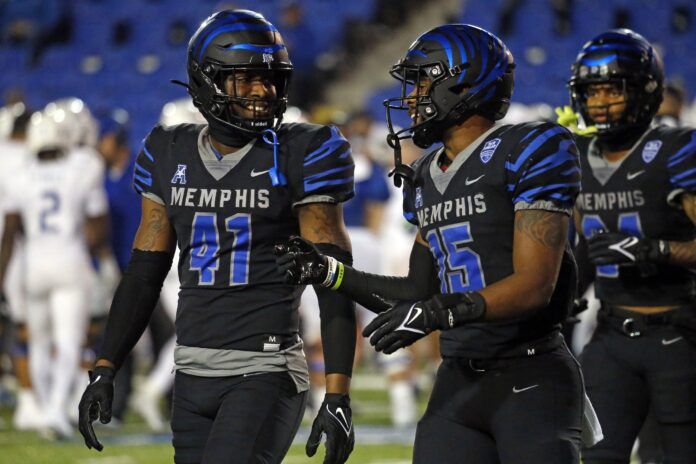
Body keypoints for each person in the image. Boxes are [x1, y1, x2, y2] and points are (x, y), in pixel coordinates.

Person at [277, 24, 601, 463]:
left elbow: (534, 286)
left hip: (531, 375)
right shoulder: (428, 174)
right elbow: (416, 292)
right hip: (457, 381)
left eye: (423, 81)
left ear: (464, 82)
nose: (411, 97)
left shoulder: (530, 147)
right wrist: (331, 274)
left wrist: (439, 311)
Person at [77, 10, 357, 464]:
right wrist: (106, 366)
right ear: (207, 80)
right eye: (245, 78)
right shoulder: (169, 151)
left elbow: (334, 280)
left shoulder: (303, 151)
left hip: (264, 369)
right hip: (189, 372)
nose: (262, 91)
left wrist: (338, 391)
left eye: (270, 79)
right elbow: (145, 274)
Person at [563, 29, 696, 463]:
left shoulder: (676, 149)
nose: (599, 102)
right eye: (592, 91)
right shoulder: (577, 157)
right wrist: (560, 299)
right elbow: (586, 247)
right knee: (596, 455)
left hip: (680, 334)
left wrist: (652, 251)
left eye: (612, 90)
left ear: (644, 90)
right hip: (612, 335)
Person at [0, 104, 111, 439]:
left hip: (32, 262)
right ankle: (54, 412)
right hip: (69, 260)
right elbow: (96, 227)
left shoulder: (22, 173)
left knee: (38, 342)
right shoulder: (83, 166)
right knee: (69, 343)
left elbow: (10, 231)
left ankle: (45, 405)